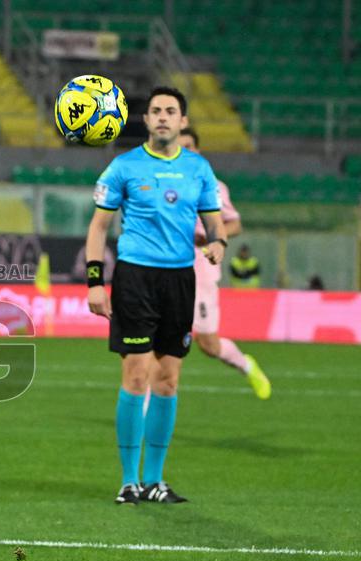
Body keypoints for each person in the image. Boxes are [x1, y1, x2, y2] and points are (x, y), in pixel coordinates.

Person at [85, 86, 229, 505]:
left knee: (168, 381)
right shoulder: (123, 167)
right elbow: (98, 227)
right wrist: (96, 281)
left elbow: (215, 222)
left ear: (183, 121)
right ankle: (128, 481)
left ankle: (154, 481)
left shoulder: (199, 169)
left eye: (171, 111)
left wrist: (218, 243)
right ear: (145, 120)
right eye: (156, 111)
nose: (163, 117)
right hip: (135, 279)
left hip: (180, 281)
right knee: (135, 375)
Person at [178, 128, 270, 400]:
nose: (185, 152)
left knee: (208, 344)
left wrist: (209, 236)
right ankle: (147, 411)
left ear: (198, 150)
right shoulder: (160, 184)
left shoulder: (214, 187)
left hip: (201, 273)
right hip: (167, 272)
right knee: (160, 343)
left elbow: (235, 223)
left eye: (190, 147)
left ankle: (246, 364)